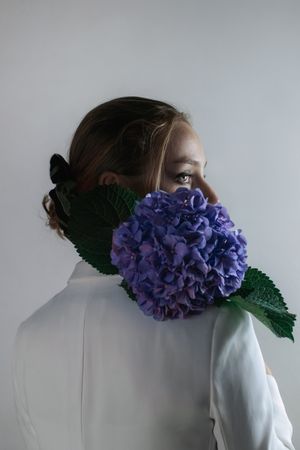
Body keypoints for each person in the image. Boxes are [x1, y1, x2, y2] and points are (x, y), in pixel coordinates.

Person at [12, 96, 295, 450]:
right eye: (185, 176)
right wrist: (264, 379)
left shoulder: (30, 335)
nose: (212, 198)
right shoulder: (217, 325)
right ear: (110, 189)